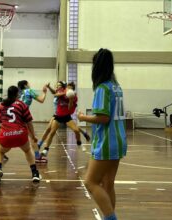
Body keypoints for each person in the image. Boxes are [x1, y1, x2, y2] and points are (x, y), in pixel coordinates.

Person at [77, 48, 127, 220]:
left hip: (106, 141)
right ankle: (109, 217)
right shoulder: (116, 87)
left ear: (96, 67)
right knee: (108, 184)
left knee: (90, 182)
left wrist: (83, 117)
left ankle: (111, 218)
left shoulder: (102, 89)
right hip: (119, 140)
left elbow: (103, 118)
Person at [0, 85, 40, 184]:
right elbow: (29, 122)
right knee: (27, 150)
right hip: (20, 134)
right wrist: (33, 136)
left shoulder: (1, 106)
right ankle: (35, 173)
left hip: (6, 135)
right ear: (17, 94)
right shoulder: (21, 104)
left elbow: (1, 123)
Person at [36, 81, 90, 161]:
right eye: (68, 88)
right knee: (52, 132)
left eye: (71, 88)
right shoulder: (62, 92)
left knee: (76, 130)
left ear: (73, 90)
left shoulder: (74, 97)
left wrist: (71, 100)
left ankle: (79, 142)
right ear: (66, 88)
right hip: (58, 116)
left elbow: (69, 108)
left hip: (67, 116)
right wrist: (64, 93)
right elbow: (56, 94)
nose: (69, 89)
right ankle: (45, 149)